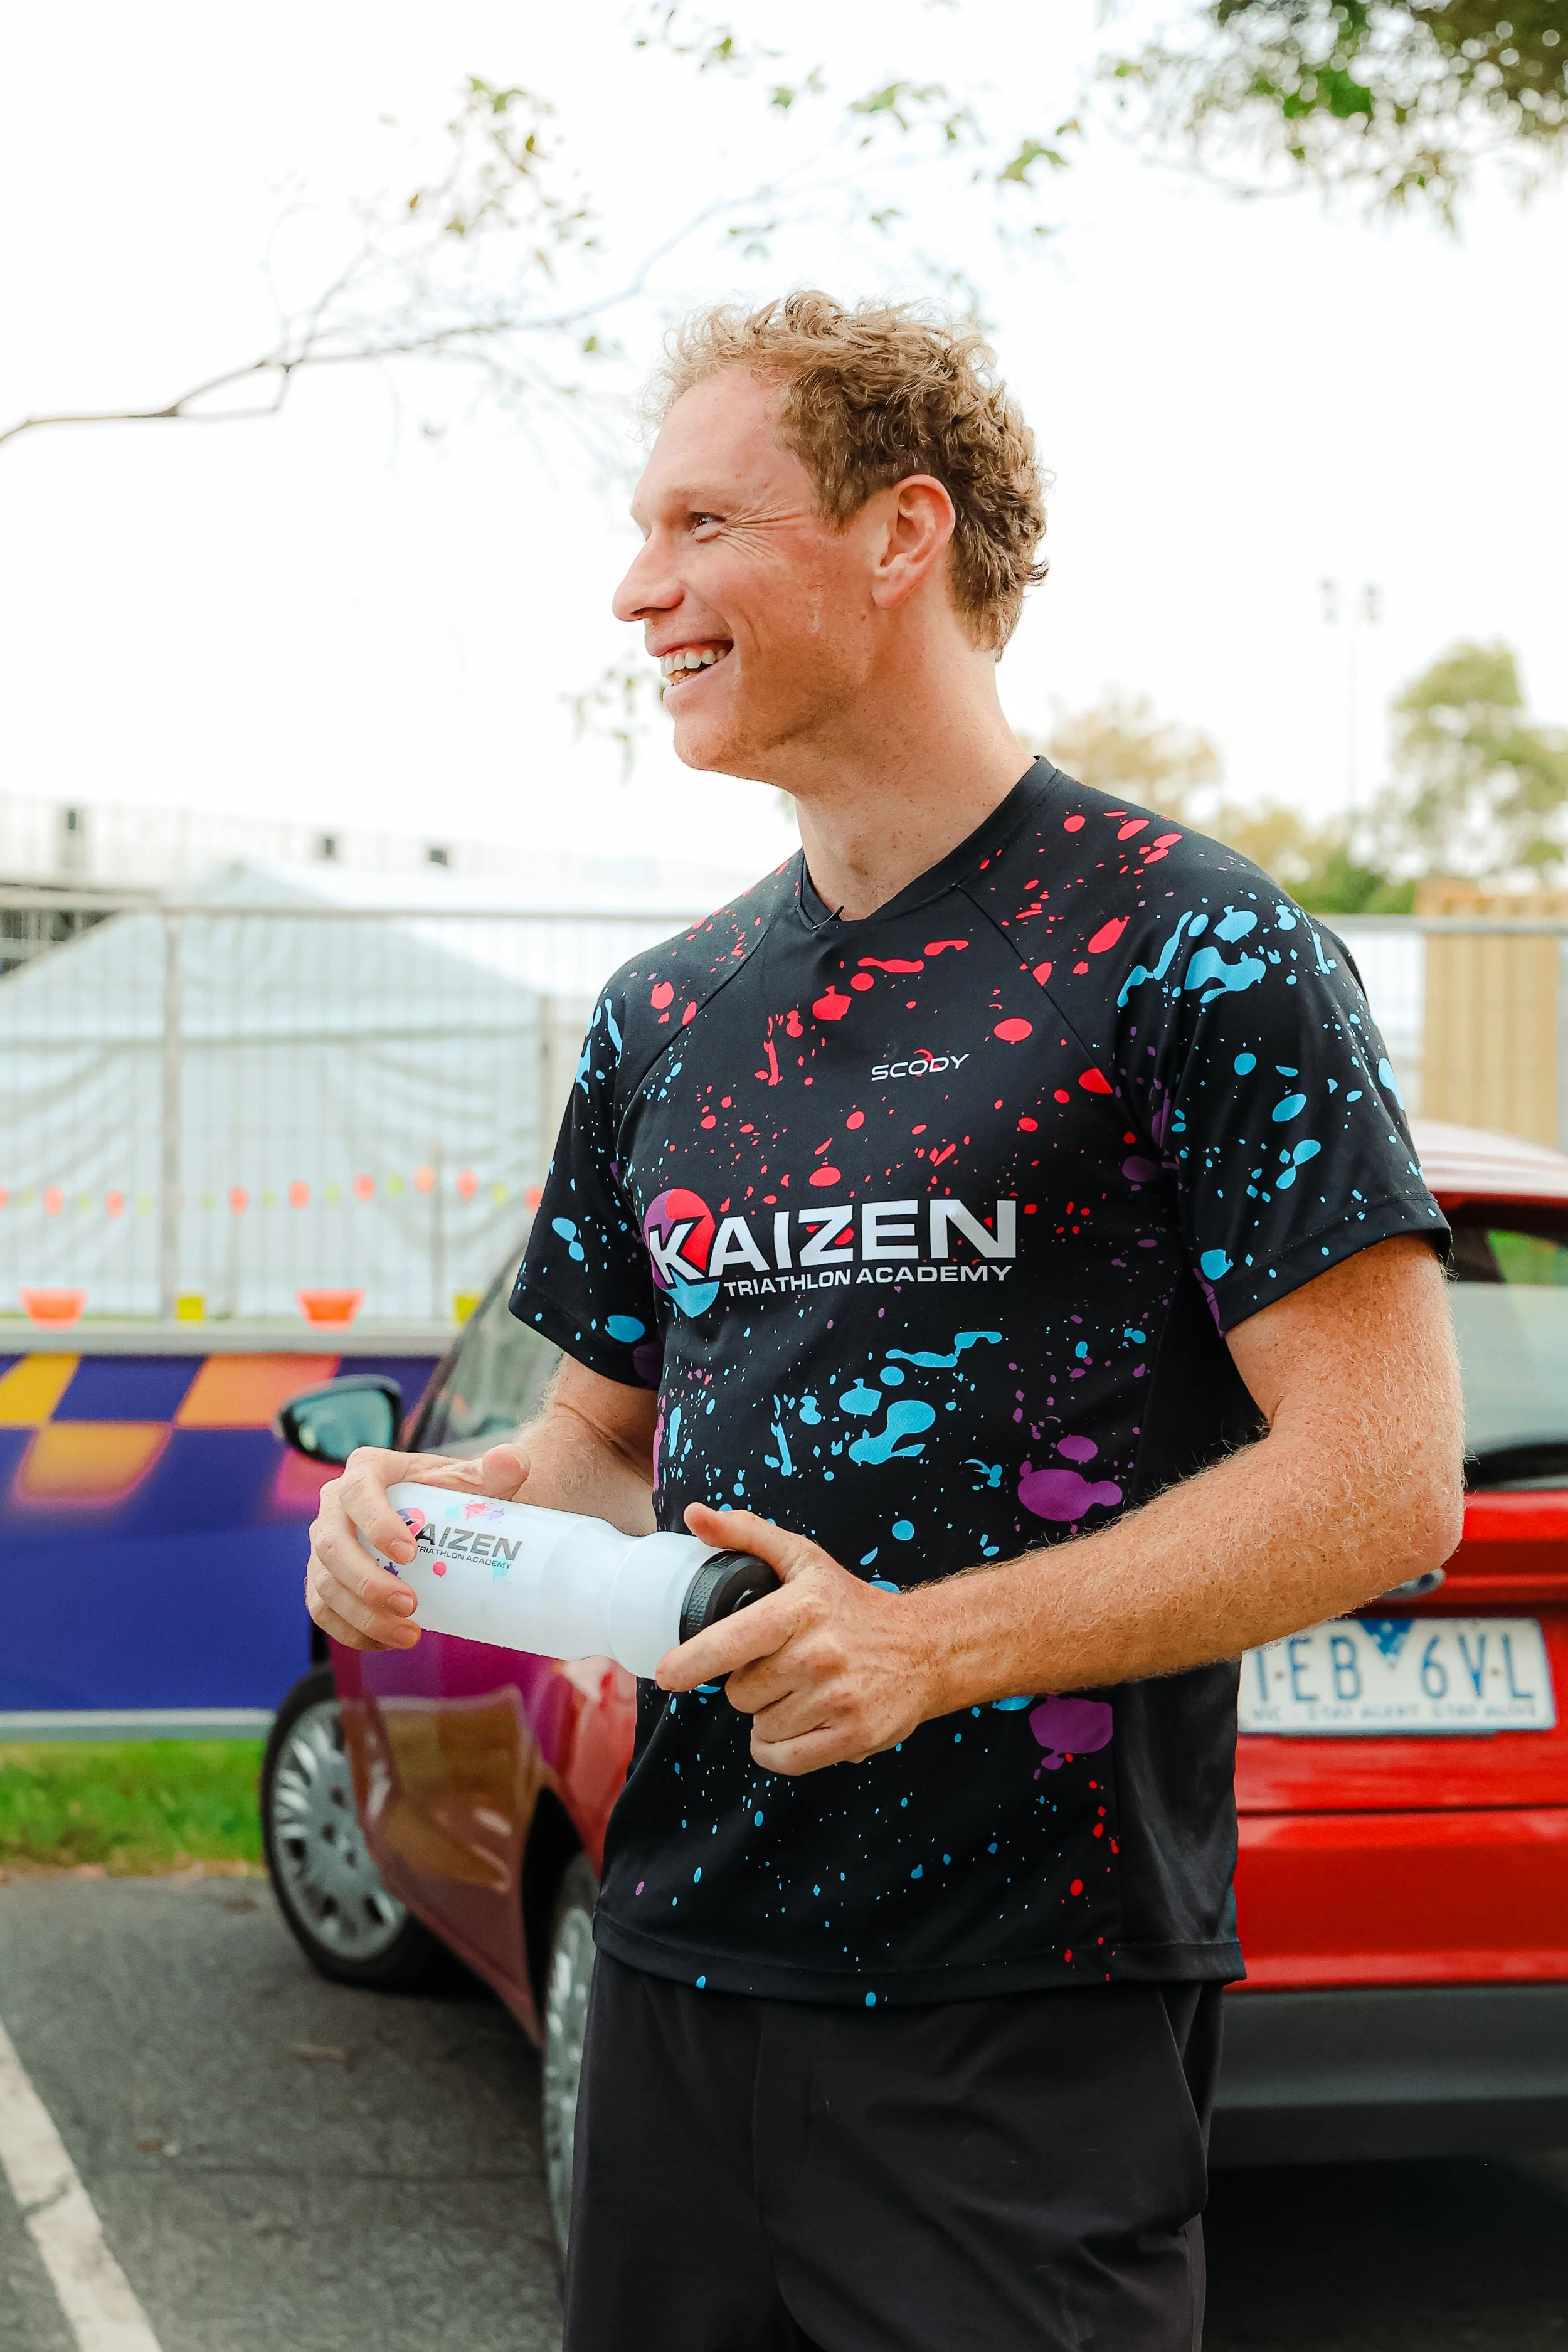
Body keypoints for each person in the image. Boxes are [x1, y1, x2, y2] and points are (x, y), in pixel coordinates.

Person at [305, 293, 1464, 2351]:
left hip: (1022, 2015)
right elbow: (598, 1430)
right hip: (667, 1972)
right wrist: (446, 1505)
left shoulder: (1187, 946)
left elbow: (1381, 1486)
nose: (636, 587)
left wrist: (927, 1645)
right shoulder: (665, 1011)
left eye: (700, 524)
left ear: (898, 534)